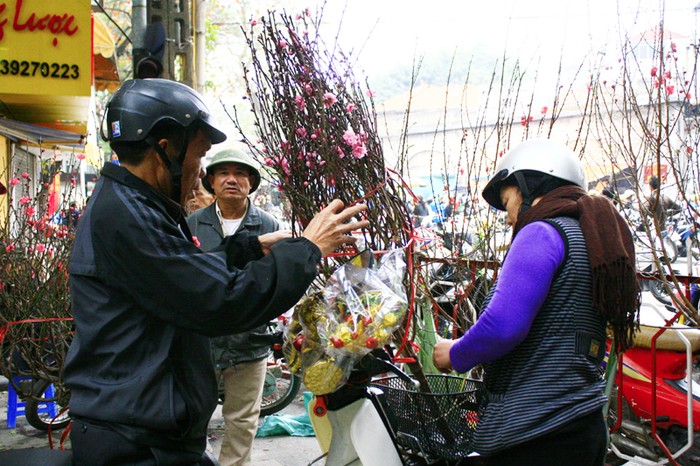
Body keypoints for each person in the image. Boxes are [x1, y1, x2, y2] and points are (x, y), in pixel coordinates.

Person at [63, 78, 368, 466]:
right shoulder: (127, 217)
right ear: (165, 147)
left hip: (152, 430)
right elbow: (220, 301)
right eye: (201, 155)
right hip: (135, 442)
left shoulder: (136, 204)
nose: (202, 170)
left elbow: (186, 273)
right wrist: (306, 250)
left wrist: (249, 248)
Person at [433, 139, 639, 465]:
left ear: (530, 186)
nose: (509, 217)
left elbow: (502, 326)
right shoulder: (589, 235)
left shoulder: (541, 231)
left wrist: (454, 353)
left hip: (533, 431)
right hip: (583, 424)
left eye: (508, 201)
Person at [186, 148, 275, 466]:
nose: (232, 180)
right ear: (211, 180)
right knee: (192, 417)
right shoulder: (192, 225)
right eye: (224, 173)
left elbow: (275, 282)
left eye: (240, 173)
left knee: (242, 422)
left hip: (250, 341)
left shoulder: (267, 225)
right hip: (201, 342)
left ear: (251, 181)